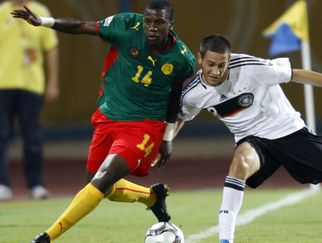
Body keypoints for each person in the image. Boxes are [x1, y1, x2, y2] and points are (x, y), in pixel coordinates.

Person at [169, 34, 322, 243]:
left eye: (221, 64)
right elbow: (181, 116)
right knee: (239, 164)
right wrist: (165, 143)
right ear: (200, 59)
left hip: (289, 131)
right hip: (253, 140)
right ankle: (226, 240)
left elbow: (297, 74)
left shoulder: (251, 68)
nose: (216, 71)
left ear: (229, 60)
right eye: (210, 64)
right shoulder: (193, 94)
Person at [11, 0, 196, 242]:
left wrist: (168, 138)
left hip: (144, 126)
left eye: (159, 23)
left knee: (101, 181)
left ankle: (48, 236)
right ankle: (152, 197)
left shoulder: (183, 59)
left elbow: (174, 100)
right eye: (148, 21)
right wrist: (43, 22)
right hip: (108, 117)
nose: (151, 27)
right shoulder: (127, 26)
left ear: (170, 24)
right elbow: (80, 26)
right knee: (100, 186)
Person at [0, 0, 59, 201]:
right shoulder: (1, 12)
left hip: (32, 84)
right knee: (1, 135)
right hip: (3, 82)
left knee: (32, 137)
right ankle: (2, 184)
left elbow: (51, 49)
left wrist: (52, 83)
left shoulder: (41, 11)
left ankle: (36, 185)